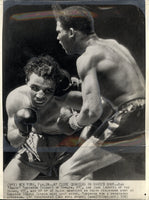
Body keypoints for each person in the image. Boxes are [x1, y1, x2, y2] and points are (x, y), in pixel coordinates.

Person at [53, 6, 145, 180]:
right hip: (140, 114)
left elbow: (92, 111)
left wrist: (73, 122)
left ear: (71, 32)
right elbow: (110, 102)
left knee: (67, 172)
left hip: (132, 115)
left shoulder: (87, 58)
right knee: (84, 171)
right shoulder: (114, 44)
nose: (57, 37)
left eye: (59, 32)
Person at [4, 54, 84, 181]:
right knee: (6, 186)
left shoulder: (67, 99)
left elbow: (100, 109)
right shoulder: (16, 99)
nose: (40, 96)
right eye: (35, 88)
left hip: (70, 146)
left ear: (55, 88)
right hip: (36, 146)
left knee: (76, 191)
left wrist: (76, 121)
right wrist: (22, 131)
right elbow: (14, 142)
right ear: (26, 81)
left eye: (48, 91)